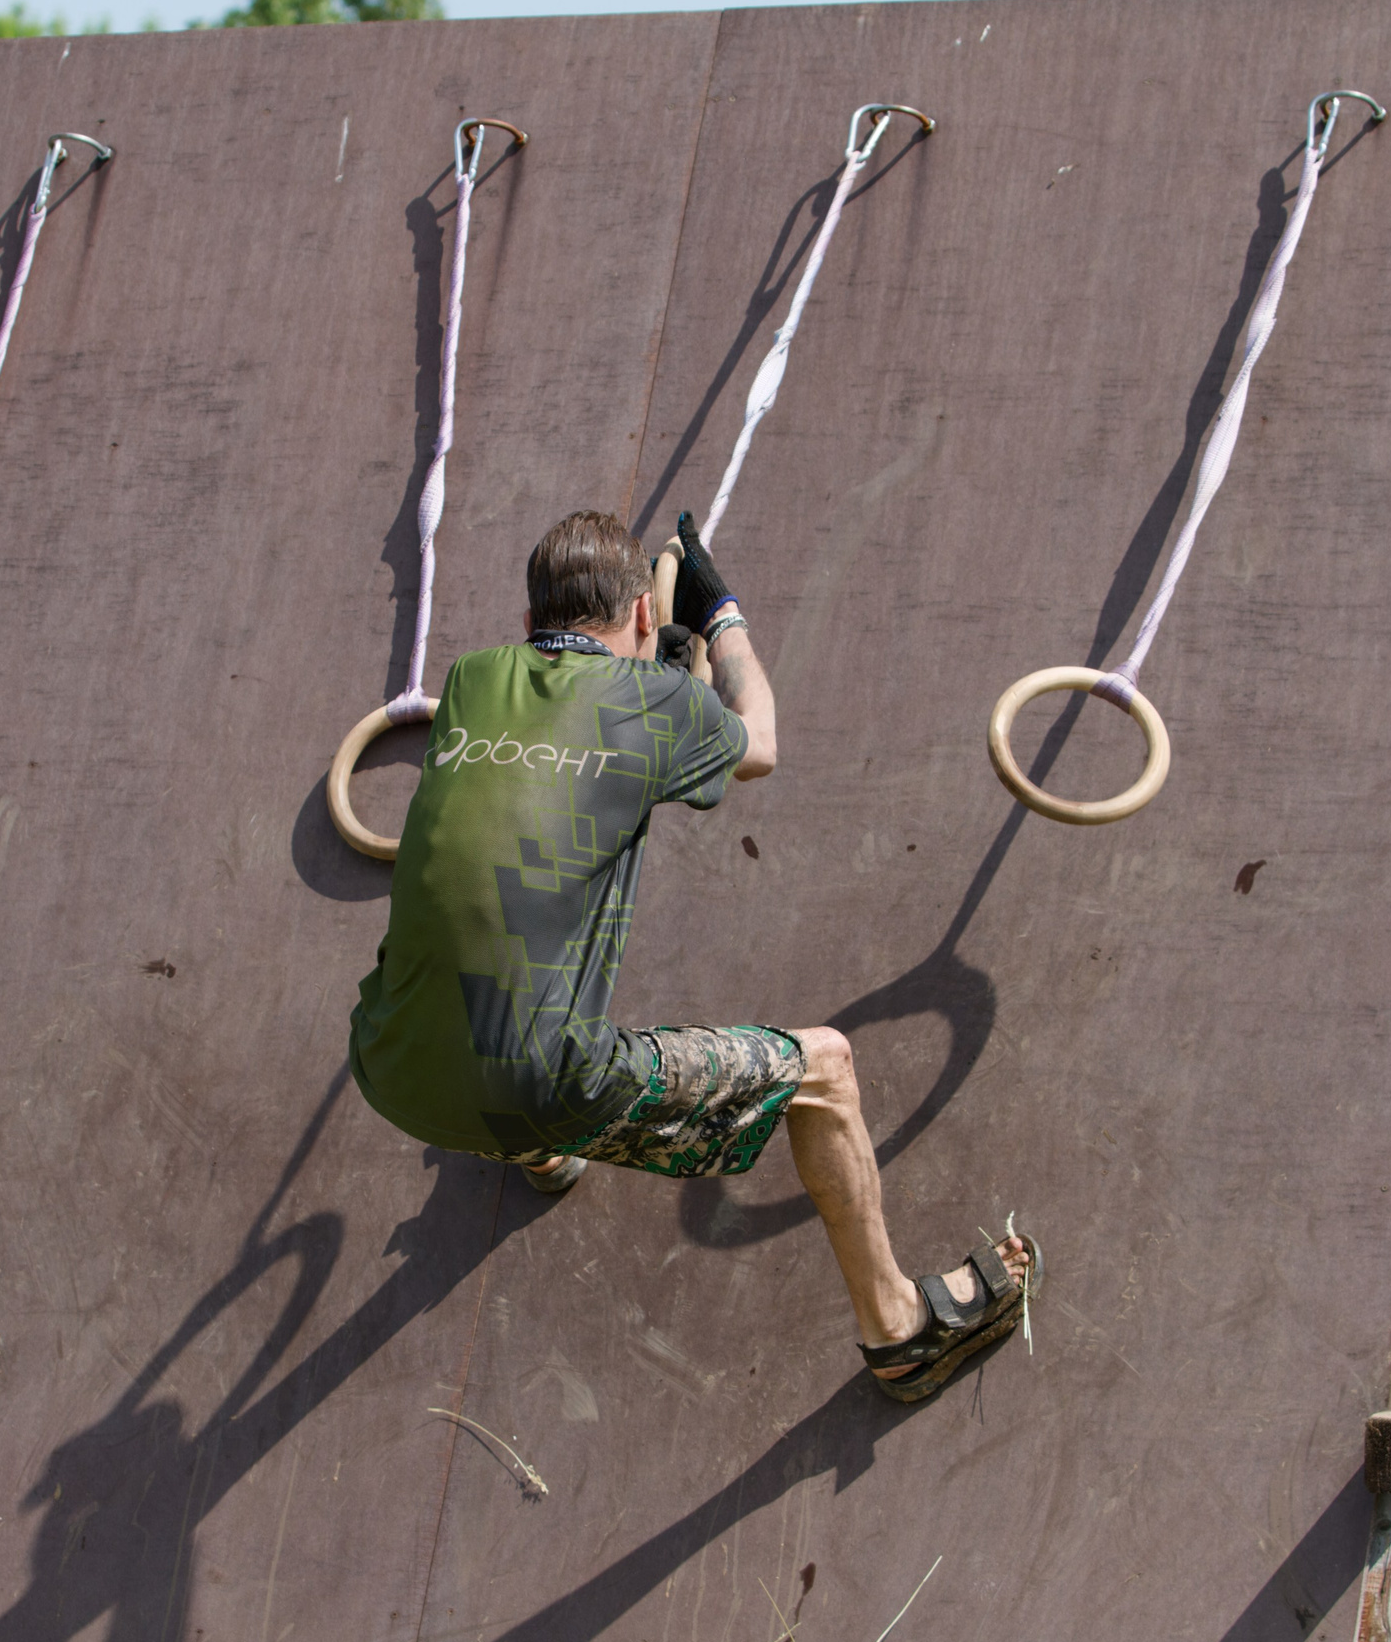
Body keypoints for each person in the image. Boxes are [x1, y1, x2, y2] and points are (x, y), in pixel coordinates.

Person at [348, 509, 1035, 1402]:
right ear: (643, 616)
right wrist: (724, 621)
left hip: (387, 1065)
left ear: (526, 626)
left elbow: (583, 753)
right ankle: (900, 1329)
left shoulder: (473, 682)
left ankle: (541, 1156)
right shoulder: (655, 703)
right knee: (826, 1066)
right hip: (543, 1084)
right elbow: (758, 741)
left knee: (522, 883)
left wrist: (665, 668)